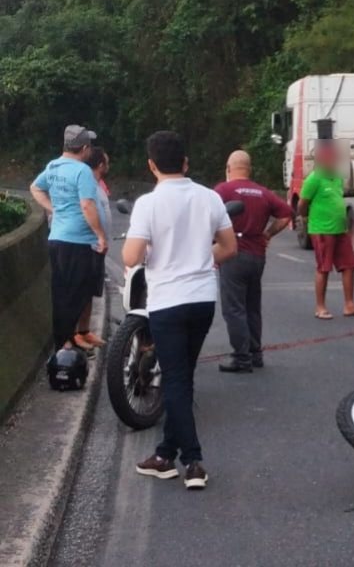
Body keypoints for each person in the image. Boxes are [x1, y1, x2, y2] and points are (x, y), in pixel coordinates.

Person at [123, 131, 238, 490]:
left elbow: (129, 257)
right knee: (182, 377)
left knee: (175, 380)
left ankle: (193, 462)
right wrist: (202, 261)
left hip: (167, 302)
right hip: (203, 300)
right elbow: (229, 247)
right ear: (186, 163)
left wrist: (153, 253)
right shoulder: (210, 197)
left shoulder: (147, 203)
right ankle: (163, 455)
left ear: (151, 165)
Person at [214, 150, 292, 373]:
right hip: (257, 255)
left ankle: (241, 357)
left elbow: (206, 216)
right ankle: (255, 353)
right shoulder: (263, 192)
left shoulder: (223, 190)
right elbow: (286, 214)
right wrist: (268, 234)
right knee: (251, 306)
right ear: (249, 169)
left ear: (229, 169)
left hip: (232, 253)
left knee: (234, 308)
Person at [30, 125, 106, 352]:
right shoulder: (81, 171)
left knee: (62, 291)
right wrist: (100, 235)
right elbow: (87, 204)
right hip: (78, 242)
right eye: (89, 146)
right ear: (83, 148)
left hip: (57, 239)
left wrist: (53, 209)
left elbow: (35, 187)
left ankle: (64, 343)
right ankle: (66, 343)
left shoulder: (53, 166)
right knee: (77, 293)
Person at [297, 142, 354, 319]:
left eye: (335, 158)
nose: (334, 161)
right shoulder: (314, 179)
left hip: (340, 229)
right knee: (324, 268)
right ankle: (320, 307)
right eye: (331, 158)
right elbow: (302, 204)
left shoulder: (337, 178)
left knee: (349, 265)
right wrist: (307, 219)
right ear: (322, 160)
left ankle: (349, 304)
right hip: (322, 230)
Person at [73, 146, 112, 350]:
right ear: (100, 165)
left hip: (98, 246)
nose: (109, 165)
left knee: (90, 292)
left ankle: (84, 331)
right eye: (107, 162)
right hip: (87, 245)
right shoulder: (87, 186)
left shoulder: (99, 185)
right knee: (80, 291)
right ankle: (75, 334)